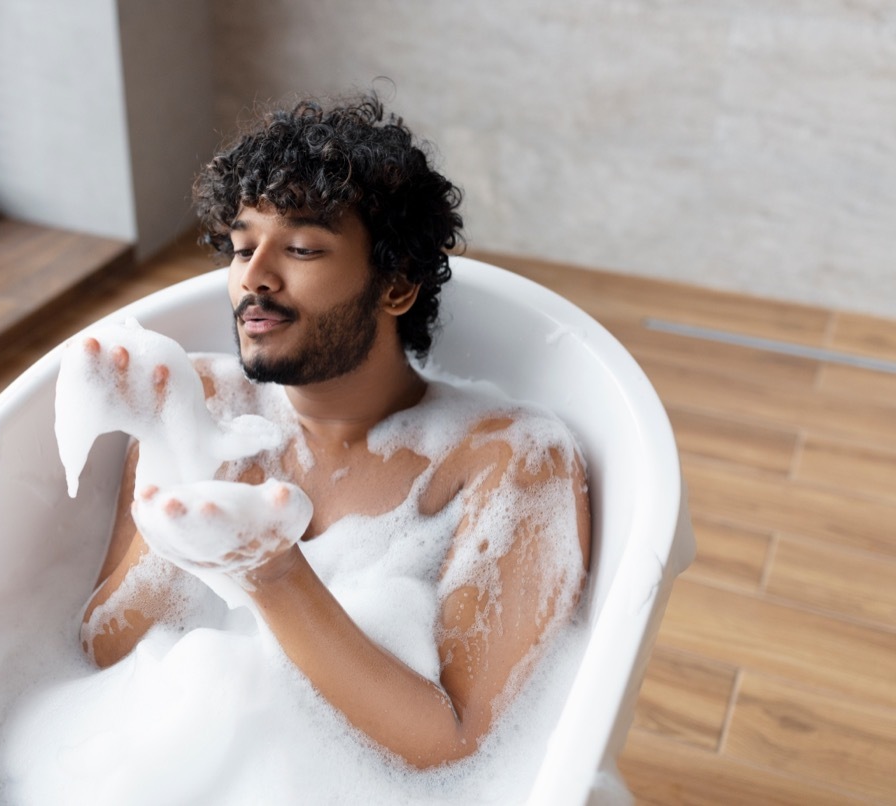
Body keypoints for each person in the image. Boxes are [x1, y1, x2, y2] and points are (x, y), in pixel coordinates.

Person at [75, 95, 591, 771]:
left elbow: (454, 741)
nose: (253, 277)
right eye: (240, 246)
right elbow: (105, 651)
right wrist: (174, 463)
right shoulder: (197, 402)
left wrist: (269, 571)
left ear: (396, 287)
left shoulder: (508, 459)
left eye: (301, 247)